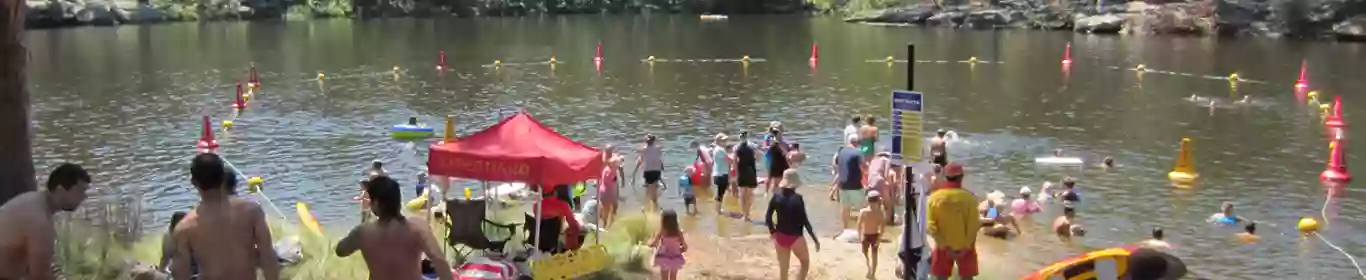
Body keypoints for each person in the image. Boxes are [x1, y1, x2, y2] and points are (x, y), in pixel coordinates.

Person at [171, 154, 281, 280]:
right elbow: (267, 255)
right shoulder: (251, 211)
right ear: (223, 177)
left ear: (193, 182)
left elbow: (181, 273)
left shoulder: (184, 228)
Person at [336, 175, 453, 280]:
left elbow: (340, 251)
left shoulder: (363, 232)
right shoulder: (417, 226)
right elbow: (439, 260)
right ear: (398, 201)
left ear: (376, 203)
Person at [0, 163, 91, 280]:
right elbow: (40, 276)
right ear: (60, 190)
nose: (84, 197)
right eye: (80, 191)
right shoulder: (39, 221)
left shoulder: (32, 200)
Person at [926, 163, 979, 280]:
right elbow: (974, 226)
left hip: (943, 247)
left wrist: (944, 246)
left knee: (940, 278)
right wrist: (965, 248)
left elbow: (931, 226)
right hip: (966, 247)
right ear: (961, 177)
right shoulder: (970, 198)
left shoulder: (934, 198)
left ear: (945, 177)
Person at [765, 169, 820, 280]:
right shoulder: (798, 199)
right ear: (795, 184)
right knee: (805, 263)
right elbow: (805, 221)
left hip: (780, 236)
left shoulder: (776, 197)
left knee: (783, 270)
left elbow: (768, 217)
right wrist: (814, 239)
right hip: (795, 238)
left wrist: (773, 231)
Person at [831, 134, 867, 229]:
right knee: (863, 208)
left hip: (843, 184)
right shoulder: (858, 152)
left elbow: (838, 166)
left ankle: (845, 229)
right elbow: (863, 167)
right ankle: (862, 229)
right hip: (855, 184)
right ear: (857, 143)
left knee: (845, 208)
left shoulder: (841, 152)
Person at [535, 185, 584, 252]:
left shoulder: (536, 205)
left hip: (537, 240)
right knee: (575, 231)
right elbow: (573, 224)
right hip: (555, 240)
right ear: (555, 192)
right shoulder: (563, 206)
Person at [650, 210, 688, 280]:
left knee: (664, 277)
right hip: (675, 257)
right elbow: (685, 247)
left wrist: (649, 245)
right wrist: (680, 249)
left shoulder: (662, 231)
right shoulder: (678, 233)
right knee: (673, 277)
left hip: (664, 257)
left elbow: (654, 243)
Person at [857, 191, 886, 278]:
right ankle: (872, 272)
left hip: (865, 235)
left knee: (865, 254)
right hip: (875, 236)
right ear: (878, 201)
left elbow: (858, 225)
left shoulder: (863, 211)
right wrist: (879, 238)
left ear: (867, 201)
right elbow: (882, 227)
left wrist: (859, 235)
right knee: (874, 255)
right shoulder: (880, 213)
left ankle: (869, 269)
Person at [734, 131, 761, 221]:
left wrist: (736, 173)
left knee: (742, 195)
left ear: (740, 137)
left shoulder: (736, 147)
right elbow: (759, 157)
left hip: (742, 172)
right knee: (749, 195)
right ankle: (747, 214)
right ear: (747, 137)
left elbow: (735, 162)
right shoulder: (753, 146)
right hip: (751, 171)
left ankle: (743, 214)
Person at [635, 134, 665, 211]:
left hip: (648, 170)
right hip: (656, 170)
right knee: (654, 189)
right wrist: (656, 139)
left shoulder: (644, 149)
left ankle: (648, 206)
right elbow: (661, 149)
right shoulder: (658, 149)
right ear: (654, 141)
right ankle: (655, 206)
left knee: (648, 189)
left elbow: (637, 150)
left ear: (646, 142)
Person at [598, 145, 622, 229]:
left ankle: (604, 225)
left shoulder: (604, 166)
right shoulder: (612, 168)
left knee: (606, 209)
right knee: (614, 207)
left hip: (602, 189)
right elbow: (617, 163)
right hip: (610, 191)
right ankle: (610, 226)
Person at [710, 134, 733, 214]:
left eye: (725, 140)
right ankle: (718, 210)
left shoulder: (716, 149)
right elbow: (729, 160)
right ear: (718, 141)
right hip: (721, 174)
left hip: (718, 173)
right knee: (720, 193)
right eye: (723, 140)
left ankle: (717, 209)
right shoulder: (720, 150)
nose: (725, 142)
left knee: (720, 192)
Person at [765, 124, 790, 195]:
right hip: (771, 158)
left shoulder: (775, 139)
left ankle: (770, 193)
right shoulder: (770, 138)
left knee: (773, 177)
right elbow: (768, 147)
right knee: (772, 177)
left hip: (777, 159)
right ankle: (769, 193)